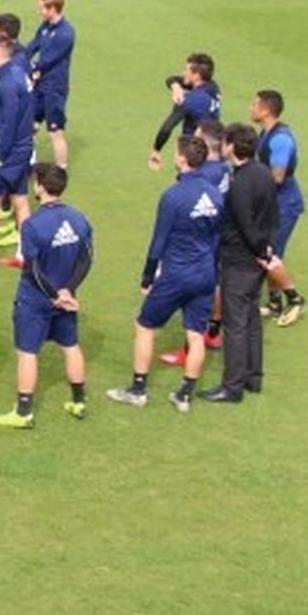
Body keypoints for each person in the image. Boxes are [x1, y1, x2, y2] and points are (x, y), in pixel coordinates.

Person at [107, 136, 224, 414]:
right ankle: (184, 394)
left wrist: (147, 277)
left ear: (182, 159)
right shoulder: (216, 194)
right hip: (206, 272)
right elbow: (217, 237)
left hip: (177, 273)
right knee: (196, 334)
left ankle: (138, 389)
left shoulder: (173, 196)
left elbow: (158, 241)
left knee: (145, 325)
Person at [0, 164, 91, 429]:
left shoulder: (32, 225)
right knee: (70, 345)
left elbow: (33, 268)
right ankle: (79, 401)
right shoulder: (79, 219)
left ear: (39, 186)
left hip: (36, 299)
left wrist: (53, 294)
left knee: (27, 352)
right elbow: (86, 259)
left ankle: (24, 412)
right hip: (67, 298)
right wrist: (67, 291)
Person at [202, 124, 279, 403]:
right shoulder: (263, 173)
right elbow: (272, 215)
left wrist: (259, 249)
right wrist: (267, 249)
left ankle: (232, 386)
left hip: (240, 259)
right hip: (257, 258)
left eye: (225, 142)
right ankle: (253, 377)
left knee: (234, 323)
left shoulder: (240, 183)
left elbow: (246, 224)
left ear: (233, 146)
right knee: (251, 318)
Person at [161, 119, 230, 367]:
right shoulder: (222, 166)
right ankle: (213, 332)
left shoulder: (207, 173)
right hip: (219, 233)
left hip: (201, 238)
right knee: (216, 282)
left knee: (197, 291)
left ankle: (191, 349)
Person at [0, 33, 35, 270]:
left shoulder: (7, 83)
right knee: (21, 200)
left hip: (11, 151)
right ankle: (24, 254)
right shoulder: (18, 73)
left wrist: (1, 157)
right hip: (24, 147)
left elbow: (9, 122)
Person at [254, 90, 308, 326]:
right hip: (273, 204)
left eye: (255, 104)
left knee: (270, 254)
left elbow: (277, 177)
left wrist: (249, 181)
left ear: (266, 110)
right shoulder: (266, 133)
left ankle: (296, 300)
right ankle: (275, 303)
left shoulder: (280, 139)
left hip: (285, 205)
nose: (251, 108)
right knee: (270, 251)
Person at [27, 0, 76, 169]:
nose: (39, 11)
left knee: (55, 131)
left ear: (53, 9)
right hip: (40, 85)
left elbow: (49, 60)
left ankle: (61, 169)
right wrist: (21, 58)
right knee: (29, 125)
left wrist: (32, 67)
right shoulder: (46, 26)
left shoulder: (65, 33)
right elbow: (34, 45)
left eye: (42, 8)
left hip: (55, 87)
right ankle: (29, 160)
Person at [150, 53, 219, 170]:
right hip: (214, 153)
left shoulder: (188, 101)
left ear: (196, 76)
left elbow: (166, 128)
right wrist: (175, 86)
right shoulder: (213, 87)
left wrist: (156, 150)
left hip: (194, 157)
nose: (183, 73)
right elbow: (171, 79)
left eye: (186, 70)